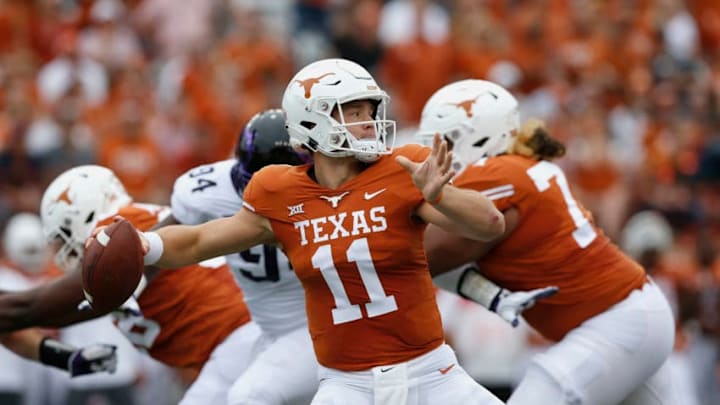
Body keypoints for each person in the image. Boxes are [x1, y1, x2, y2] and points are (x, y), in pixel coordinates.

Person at [130, 58, 506, 404]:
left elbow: (489, 224)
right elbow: (199, 241)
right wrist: (144, 243)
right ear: (313, 121)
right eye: (354, 112)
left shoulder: (403, 170)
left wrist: (441, 197)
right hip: (346, 384)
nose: (369, 123)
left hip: (431, 372)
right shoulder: (279, 191)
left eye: (370, 111)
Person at [418, 79, 677, 405]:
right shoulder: (524, 167)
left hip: (616, 322)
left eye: (448, 141)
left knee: (541, 393)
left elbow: (424, 254)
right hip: (632, 315)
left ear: (482, 135)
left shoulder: (493, 173)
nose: (437, 155)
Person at [0, 165, 262, 405]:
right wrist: (65, 357)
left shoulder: (120, 230)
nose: (67, 253)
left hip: (239, 341)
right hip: (236, 346)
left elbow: (32, 309)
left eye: (65, 236)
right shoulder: (136, 225)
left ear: (84, 212)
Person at [169, 108, 319, 404]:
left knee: (249, 397)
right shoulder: (208, 190)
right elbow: (178, 233)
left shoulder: (332, 191)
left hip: (323, 329)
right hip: (263, 330)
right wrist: (138, 261)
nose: (264, 196)